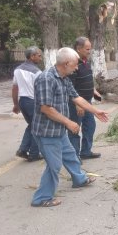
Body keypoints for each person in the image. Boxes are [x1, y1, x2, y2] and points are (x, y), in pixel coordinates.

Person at [31, 47, 108, 208]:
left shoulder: (64, 78)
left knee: (70, 155)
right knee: (54, 165)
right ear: (66, 63)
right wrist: (68, 122)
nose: (77, 68)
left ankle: (79, 179)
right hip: (47, 132)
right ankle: (41, 198)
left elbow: (76, 97)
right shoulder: (47, 79)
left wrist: (95, 111)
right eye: (74, 64)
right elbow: (45, 108)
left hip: (58, 130)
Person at [68, 37, 102, 160]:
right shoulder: (73, 64)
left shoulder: (84, 61)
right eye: (87, 49)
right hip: (76, 103)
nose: (89, 51)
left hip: (87, 102)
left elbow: (86, 78)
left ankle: (86, 152)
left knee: (90, 126)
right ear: (79, 49)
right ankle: (74, 156)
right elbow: (70, 85)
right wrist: (77, 104)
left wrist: (93, 90)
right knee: (74, 129)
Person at [12, 46, 43, 162]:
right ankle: (34, 154)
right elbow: (41, 90)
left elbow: (15, 88)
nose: (40, 58)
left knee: (32, 125)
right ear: (32, 56)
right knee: (37, 126)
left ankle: (23, 150)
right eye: (39, 56)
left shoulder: (17, 70)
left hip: (23, 101)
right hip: (33, 101)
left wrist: (16, 104)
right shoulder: (37, 72)